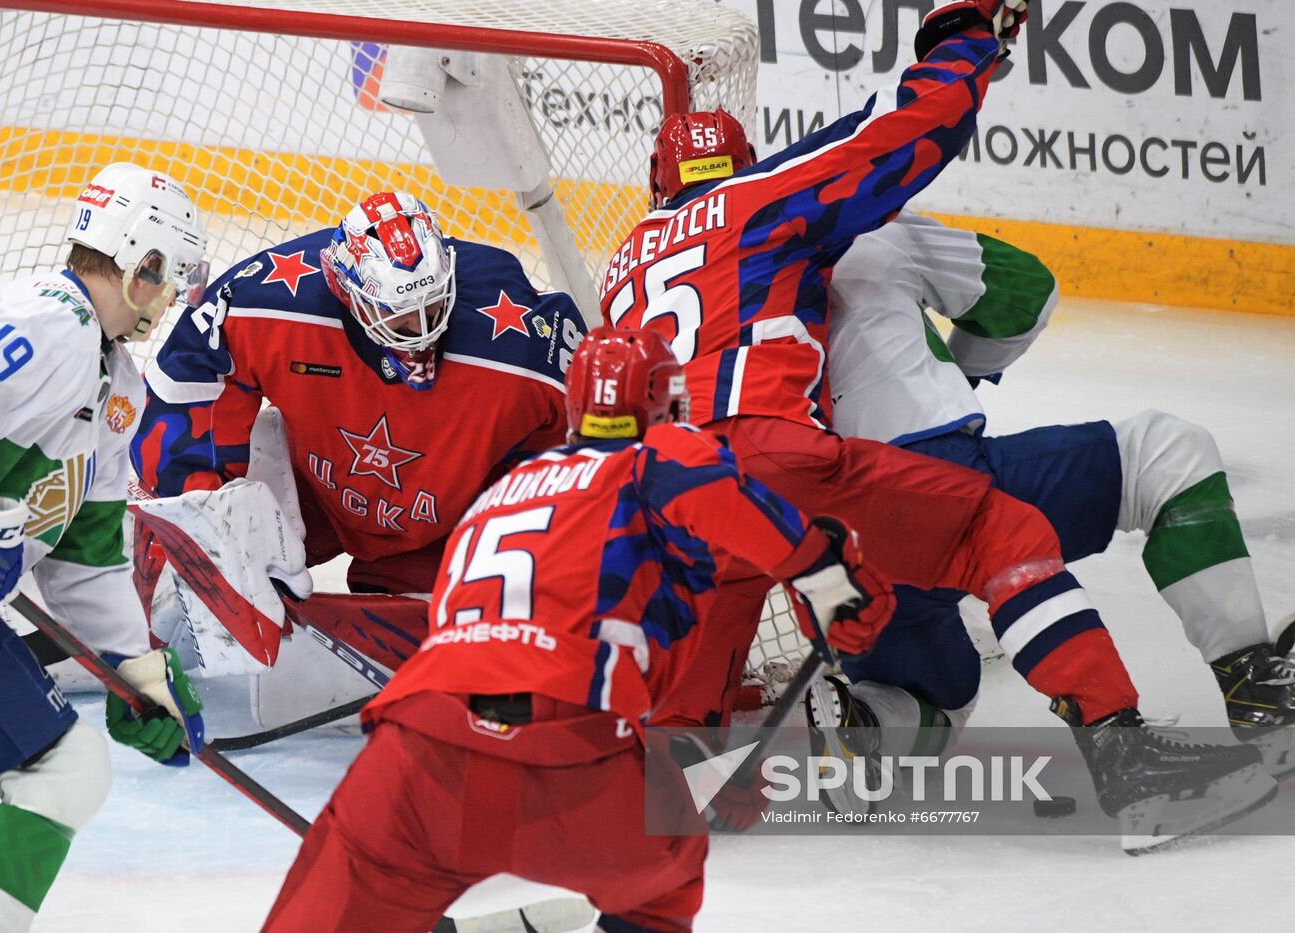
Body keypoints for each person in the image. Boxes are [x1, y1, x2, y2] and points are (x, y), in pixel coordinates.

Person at [600, 0, 1273, 844]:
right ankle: (1132, 763)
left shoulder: (619, 277)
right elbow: (913, 127)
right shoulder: (764, 201)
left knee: (690, 740)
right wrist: (965, 34)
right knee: (999, 531)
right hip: (790, 474)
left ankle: (663, 788)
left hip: (677, 507)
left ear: (656, 189)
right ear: (746, 166)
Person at [261, 327, 893, 932]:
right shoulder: (657, 458)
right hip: (563, 752)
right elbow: (717, 498)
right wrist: (826, 578)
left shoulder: (502, 494)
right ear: (669, 405)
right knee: (665, 881)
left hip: (412, 751)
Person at [816, 211, 1295, 771]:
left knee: (942, 694)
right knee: (1164, 454)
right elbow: (1026, 292)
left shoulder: (692, 294)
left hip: (824, 555)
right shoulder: (862, 226)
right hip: (928, 479)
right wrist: (954, 387)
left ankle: (869, 730)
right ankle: (1254, 689)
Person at [0, 163, 207, 932]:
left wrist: (133, 665)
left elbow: (88, 552)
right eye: (171, 279)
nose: (172, 300)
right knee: (66, 769)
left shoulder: (116, 384)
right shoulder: (49, 319)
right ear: (144, 266)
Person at [132, 191, 587, 665]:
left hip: (448, 523)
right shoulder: (266, 297)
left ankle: (406, 586)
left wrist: (528, 559)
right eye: (398, 313)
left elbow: (594, 440)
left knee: (463, 652)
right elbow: (186, 384)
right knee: (220, 480)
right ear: (348, 294)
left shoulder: (523, 340)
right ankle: (169, 582)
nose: (421, 328)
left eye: (433, 305)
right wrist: (203, 532)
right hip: (316, 497)